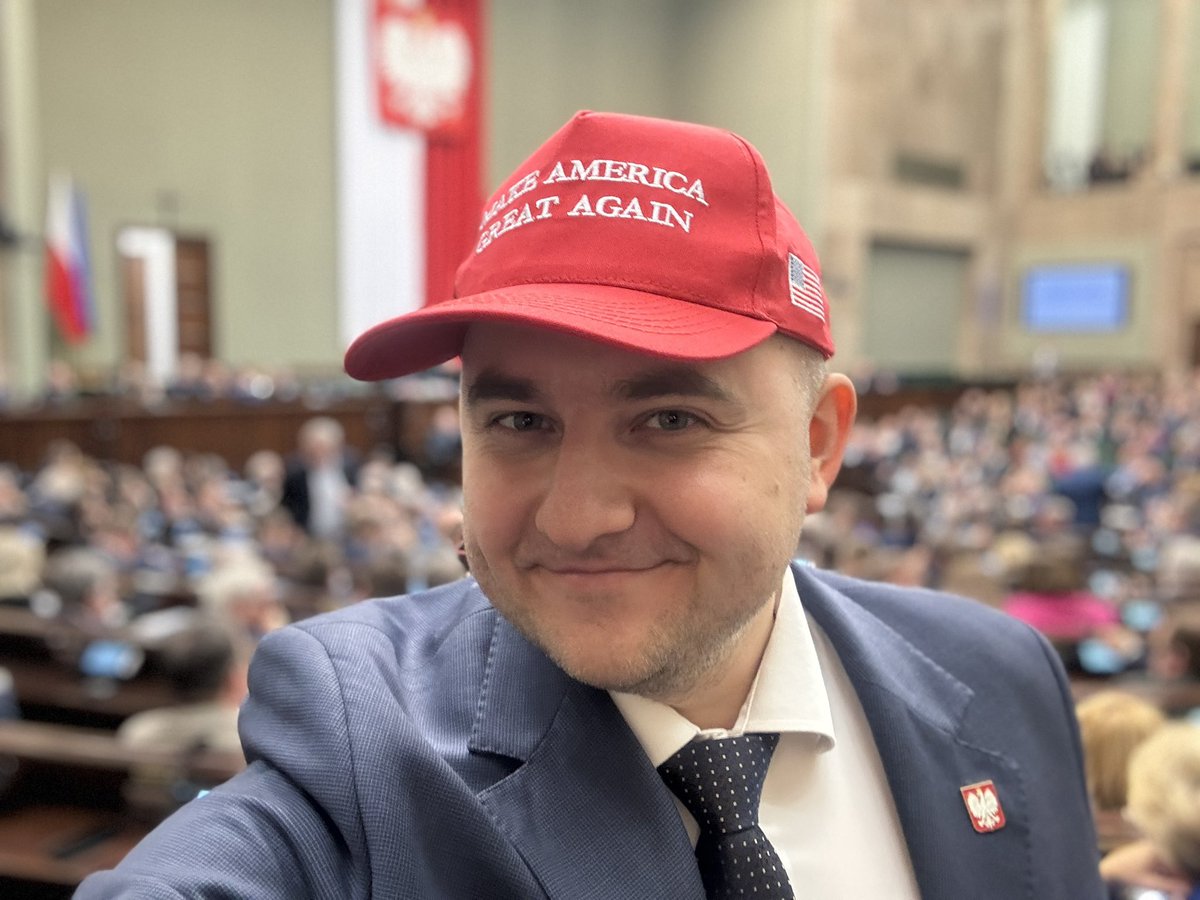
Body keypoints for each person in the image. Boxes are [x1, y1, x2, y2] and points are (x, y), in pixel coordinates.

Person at [76, 111, 1107, 898]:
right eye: (519, 422)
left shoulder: (997, 675)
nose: (575, 518)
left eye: (669, 420)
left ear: (818, 444)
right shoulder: (357, 741)